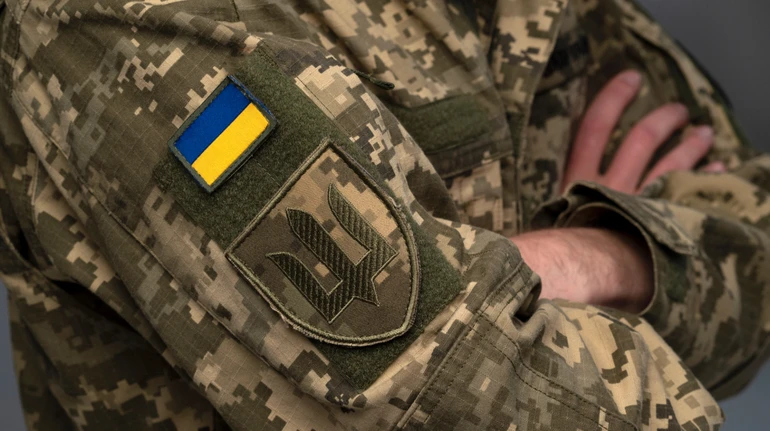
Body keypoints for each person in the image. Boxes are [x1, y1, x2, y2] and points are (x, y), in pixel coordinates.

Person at [0, 0, 767, 429]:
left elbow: (756, 260)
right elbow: (474, 397)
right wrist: (637, 256)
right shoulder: (116, 19)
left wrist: (602, 251)